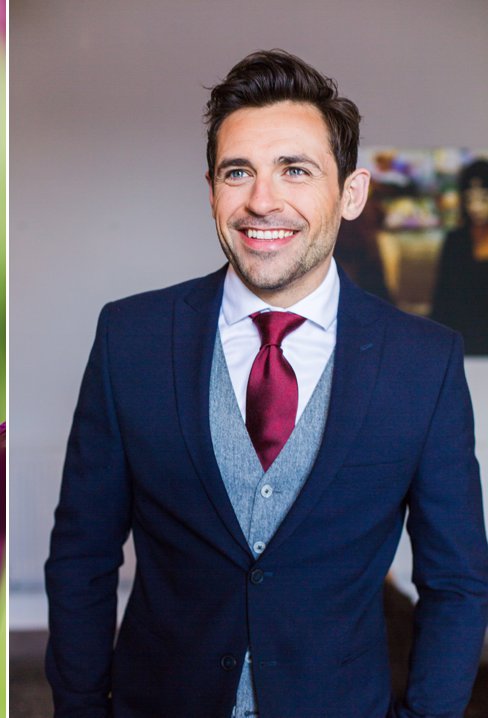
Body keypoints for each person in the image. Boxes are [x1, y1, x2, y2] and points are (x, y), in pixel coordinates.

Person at [44, 49, 488, 718]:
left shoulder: (422, 362)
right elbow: (81, 556)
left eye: (296, 170)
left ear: (353, 192)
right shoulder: (129, 338)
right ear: (211, 188)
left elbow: (457, 582)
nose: (262, 200)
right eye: (238, 172)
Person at [430, 158, 488, 354]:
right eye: (470, 199)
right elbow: (443, 299)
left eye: (483, 199)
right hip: (462, 343)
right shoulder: (455, 241)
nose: (476, 207)